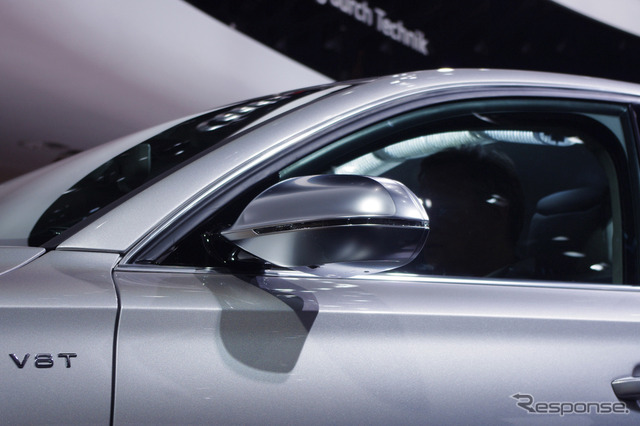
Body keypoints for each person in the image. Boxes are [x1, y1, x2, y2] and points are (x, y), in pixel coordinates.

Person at [410, 146, 525, 277]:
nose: (429, 224)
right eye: (425, 207)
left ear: (495, 214)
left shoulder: (528, 286)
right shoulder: (421, 281)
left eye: (445, 207)